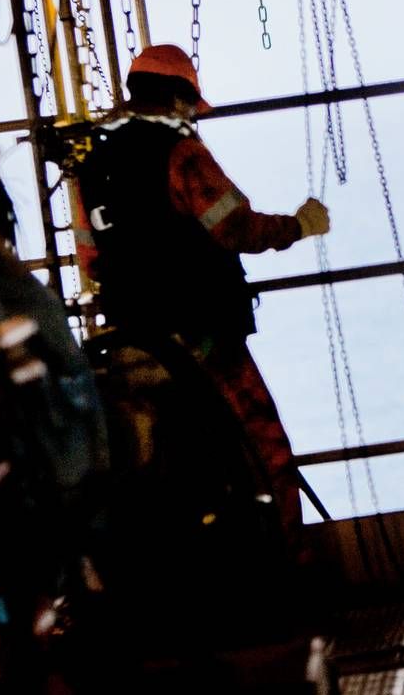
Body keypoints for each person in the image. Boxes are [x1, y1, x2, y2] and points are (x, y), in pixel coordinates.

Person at [75, 43, 328, 540]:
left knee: (166, 463)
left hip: (135, 343)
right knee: (260, 450)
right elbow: (235, 227)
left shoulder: (92, 161)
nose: (193, 116)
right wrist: (299, 226)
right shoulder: (181, 151)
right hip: (203, 339)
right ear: (177, 98)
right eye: (191, 106)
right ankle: (287, 564)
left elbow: (91, 256)